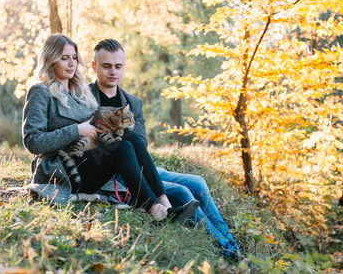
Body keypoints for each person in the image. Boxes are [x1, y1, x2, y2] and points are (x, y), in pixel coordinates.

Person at [89, 38, 242, 261]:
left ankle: (233, 247)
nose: (113, 71)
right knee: (182, 193)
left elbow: (139, 142)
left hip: (142, 166)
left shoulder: (133, 103)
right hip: (115, 173)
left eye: (118, 66)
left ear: (124, 67)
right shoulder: (84, 98)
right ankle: (229, 254)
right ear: (94, 67)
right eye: (106, 66)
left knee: (198, 182)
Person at [22, 33, 198, 222]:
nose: (71, 63)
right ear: (51, 60)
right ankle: (155, 208)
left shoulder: (82, 93)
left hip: (89, 162)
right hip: (62, 168)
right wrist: (77, 130)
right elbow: (32, 141)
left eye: (74, 57)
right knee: (122, 147)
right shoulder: (40, 92)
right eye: (64, 58)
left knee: (128, 136)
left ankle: (165, 204)